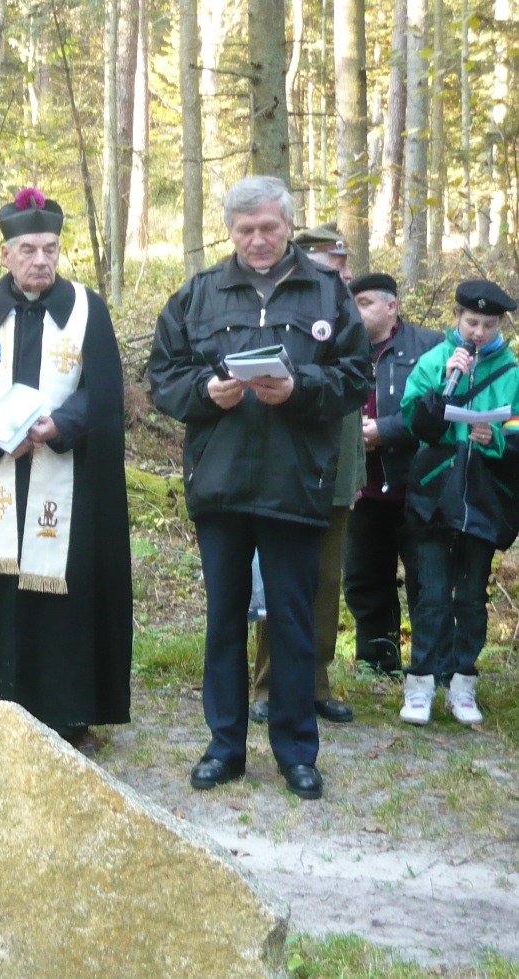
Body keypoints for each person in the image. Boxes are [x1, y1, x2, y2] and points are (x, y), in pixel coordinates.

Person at [148, 176, 370, 800]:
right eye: (245, 230)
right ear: (230, 231)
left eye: (269, 227)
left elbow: (356, 377)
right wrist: (205, 392)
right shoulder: (198, 294)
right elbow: (163, 375)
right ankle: (224, 746)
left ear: (288, 226)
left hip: (294, 482)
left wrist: (299, 390)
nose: (258, 240)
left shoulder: (326, 291)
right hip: (219, 484)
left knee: (292, 622)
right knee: (223, 619)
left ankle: (296, 751)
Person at [0, 188, 132, 756]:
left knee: (62, 593)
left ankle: (65, 711)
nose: (41, 260)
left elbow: (103, 392)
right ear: (6, 254)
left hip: (66, 477)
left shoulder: (87, 308)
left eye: (50, 249)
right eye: (28, 250)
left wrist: (60, 425)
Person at [247, 220, 361, 726]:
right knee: (279, 585)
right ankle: (268, 686)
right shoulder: (285, 315)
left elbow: (352, 407)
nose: (343, 274)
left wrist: (355, 474)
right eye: (333, 265)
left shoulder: (344, 316)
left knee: (326, 582)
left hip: (335, 476)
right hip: (290, 471)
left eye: (343, 265)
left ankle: (314, 683)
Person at [398, 280, 519, 727]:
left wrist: (496, 439)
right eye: (472, 323)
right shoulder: (434, 361)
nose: (479, 332)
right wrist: (442, 387)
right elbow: (416, 424)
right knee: (431, 594)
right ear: (456, 318)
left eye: (488, 324)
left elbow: (517, 434)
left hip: (486, 498)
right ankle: (420, 683)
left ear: (500, 324)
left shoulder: (511, 372)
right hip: (434, 495)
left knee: (469, 597)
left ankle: (462, 683)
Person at [343, 273, 441, 675]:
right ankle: (377, 664)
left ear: (391, 306)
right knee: (364, 579)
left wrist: (386, 430)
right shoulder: (342, 349)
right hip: (362, 489)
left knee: (426, 581)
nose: (357, 311)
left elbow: (439, 408)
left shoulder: (429, 346)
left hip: (418, 485)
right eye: (353, 303)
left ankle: (431, 667)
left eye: (365, 303)